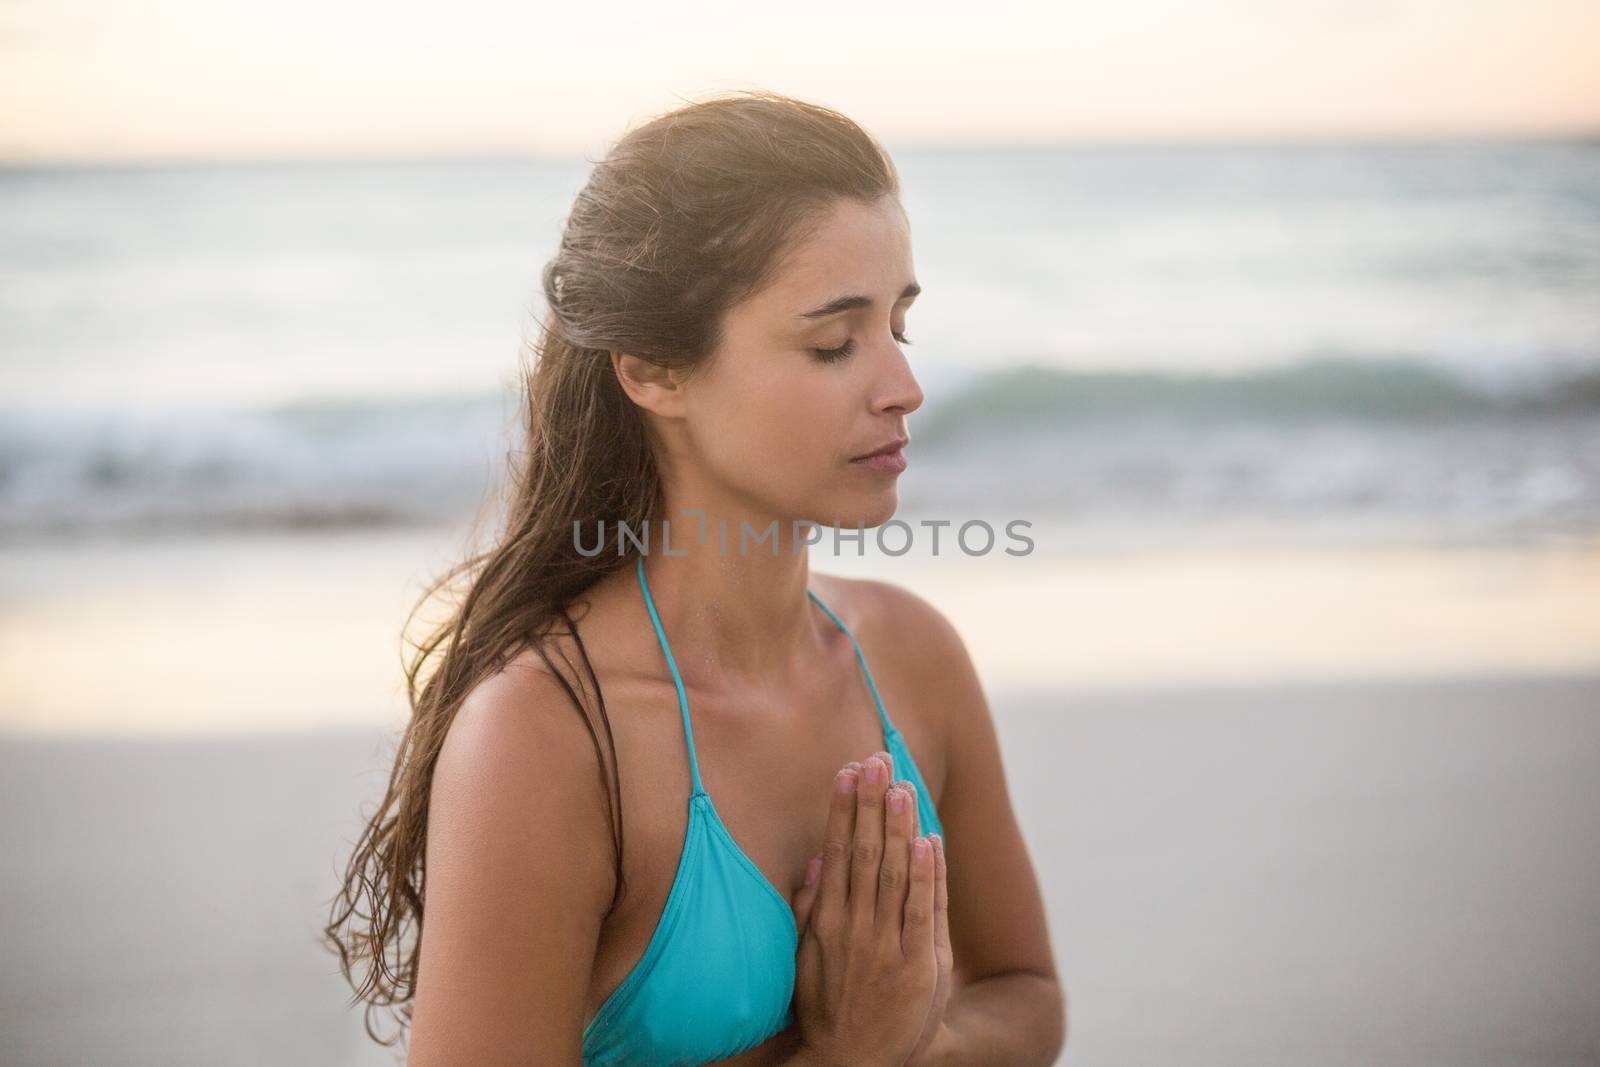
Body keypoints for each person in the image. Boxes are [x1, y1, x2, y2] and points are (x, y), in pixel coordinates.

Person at [325, 88, 1064, 1066]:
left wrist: (905, 1045)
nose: (904, 385)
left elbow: (1023, 992)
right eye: (834, 342)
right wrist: (847, 1053)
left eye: (899, 325)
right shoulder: (547, 736)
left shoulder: (911, 656)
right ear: (655, 370)